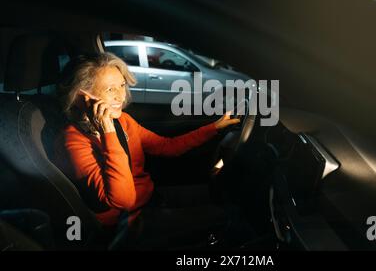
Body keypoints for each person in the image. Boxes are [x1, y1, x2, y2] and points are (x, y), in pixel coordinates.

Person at [54, 52, 240, 248]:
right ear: (81, 98)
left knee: (224, 194)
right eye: (110, 89)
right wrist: (107, 131)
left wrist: (214, 128)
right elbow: (124, 200)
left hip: (150, 200)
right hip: (128, 223)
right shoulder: (72, 141)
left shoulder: (123, 121)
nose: (121, 96)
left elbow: (167, 147)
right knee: (228, 218)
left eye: (122, 85)